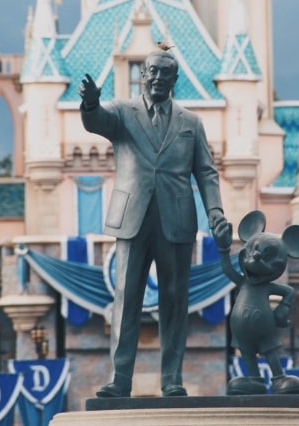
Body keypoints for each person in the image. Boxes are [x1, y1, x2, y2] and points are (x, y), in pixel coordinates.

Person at [79, 49, 228, 398]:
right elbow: (97, 121)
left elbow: (206, 172)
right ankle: (120, 379)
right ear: (142, 75)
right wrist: (89, 105)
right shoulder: (121, 112)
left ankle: (172, 379)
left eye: (165, 74)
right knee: (126, 299)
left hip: (176, 220)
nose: (158, 78)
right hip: (132, 218)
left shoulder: (191, 122)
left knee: (175, 302)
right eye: (152, 72)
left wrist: (216, 212)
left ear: (175, 80)